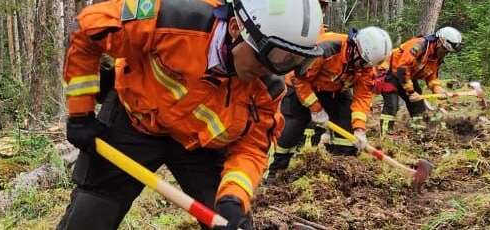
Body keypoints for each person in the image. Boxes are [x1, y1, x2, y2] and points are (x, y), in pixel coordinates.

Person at [58, 0, 324, 229]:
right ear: (235, 28)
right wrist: (80, 114)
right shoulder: (171, 19)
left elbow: (251, 148)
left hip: (200, 145)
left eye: (293, 61)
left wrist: (234, 197)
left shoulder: (268, 88)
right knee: (91, 216)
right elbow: (86, 31)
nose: (275, 70)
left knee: (231, 221)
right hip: (135, 119)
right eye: (275, 56)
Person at [267, 27, 392, 181]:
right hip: (301, 84)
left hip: (334, 89)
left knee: (347, 127)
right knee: (293, 127)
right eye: (363, 63)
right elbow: (300, 79)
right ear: (356, 49)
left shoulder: (366, 65)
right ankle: (275, 171)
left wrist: (359, 128)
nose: (365, 68)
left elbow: (363, 96)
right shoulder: (327, 49)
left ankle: (338, 169)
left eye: (368, 65)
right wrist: (316, 108)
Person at [378, 27, 462, 135]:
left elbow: (431, 76)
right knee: (392, 106)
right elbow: (402, 70)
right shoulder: (419, 46)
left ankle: (419, 134)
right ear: (439, 42)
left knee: (418, 106)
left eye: (448, 52)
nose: (445, 53)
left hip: (407, 77)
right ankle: (385, 136)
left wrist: (437, 89)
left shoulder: (437, 56)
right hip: (390, 73)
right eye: (445, 50)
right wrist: (411, 92)